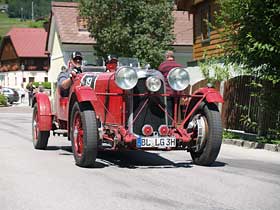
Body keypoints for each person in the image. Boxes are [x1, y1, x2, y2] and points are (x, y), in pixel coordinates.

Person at [158, 50, 182, 124]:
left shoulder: (162, 66)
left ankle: (168, 126)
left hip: (166, 92)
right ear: (173, 57)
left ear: (166, 57)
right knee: (175, 110)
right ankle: (174, 124)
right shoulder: (179, 66)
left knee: (168, 111)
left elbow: (159, 77)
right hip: (177, 92)